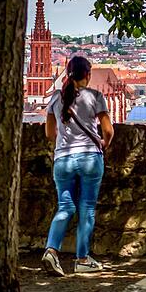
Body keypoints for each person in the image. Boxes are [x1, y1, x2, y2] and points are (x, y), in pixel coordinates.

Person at [41, 56, 114, 276]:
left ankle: (51, 251)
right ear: (88, 75)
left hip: (63, 159)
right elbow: (108, 131)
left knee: (65, 207)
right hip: (90, 158)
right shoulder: (95, 96)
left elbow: (49, 134)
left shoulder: (56, 98)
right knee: (87, 208)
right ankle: (82, 258)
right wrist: (103, 143)